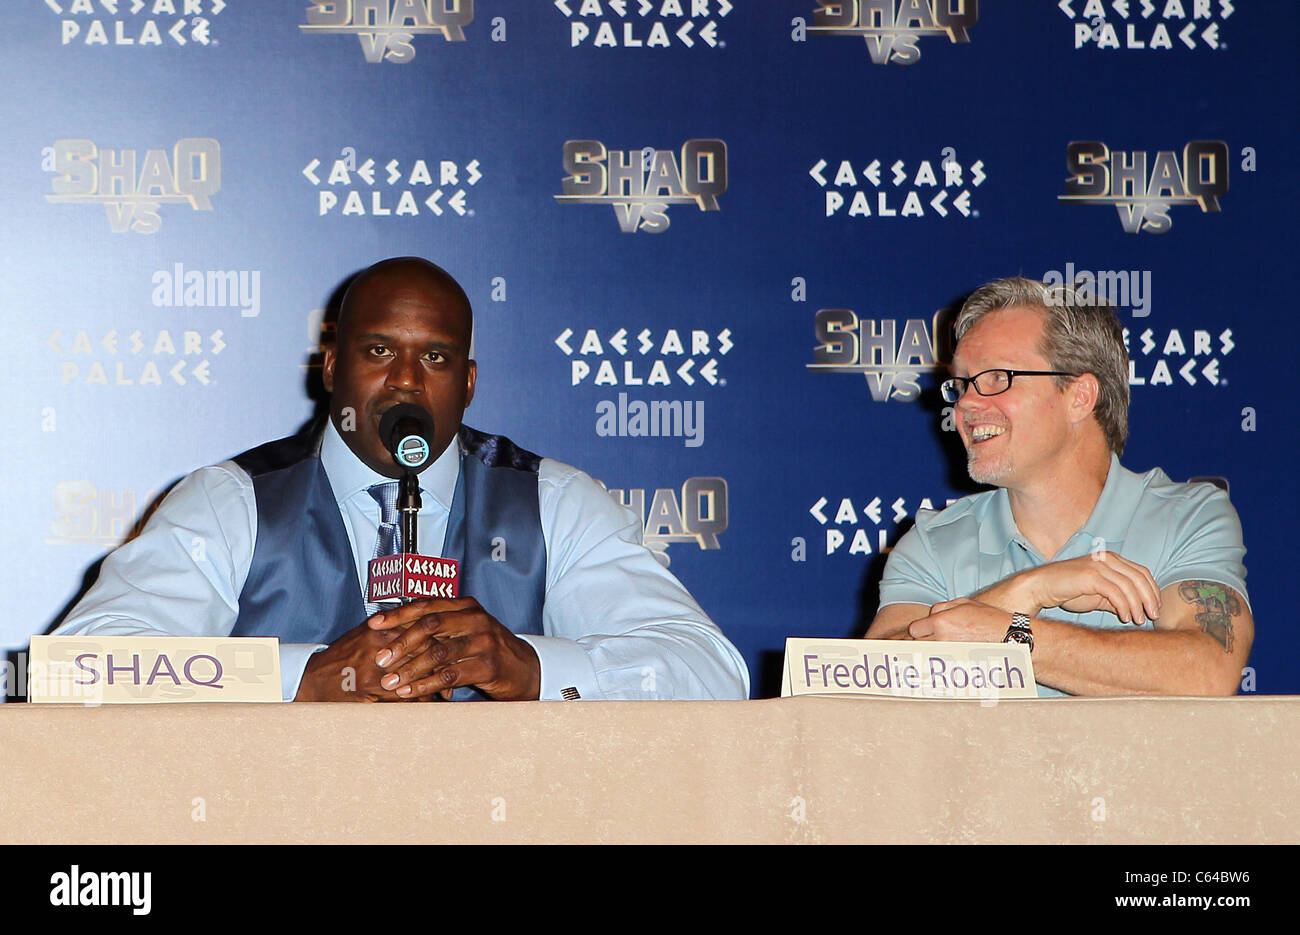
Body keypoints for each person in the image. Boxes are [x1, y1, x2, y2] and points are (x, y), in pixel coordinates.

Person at [57, 257, 750, 703]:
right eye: (380, 350)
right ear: (332, 369)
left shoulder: (553, 501)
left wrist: (528, 665)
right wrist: (304, 677)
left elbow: (712, 673)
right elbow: (83, 668)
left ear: (470, 383)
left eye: (438, 357)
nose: (408, 380)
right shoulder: (232, 501)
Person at [865, 276, 1252, 696]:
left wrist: (1011, 633)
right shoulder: (934, 543)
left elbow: (1208, 671)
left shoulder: (1188, 518)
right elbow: (872, 684)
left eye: (997, 377)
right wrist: (1030, 589)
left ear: (1080, 396)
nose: (966, 405)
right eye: (960, 385)